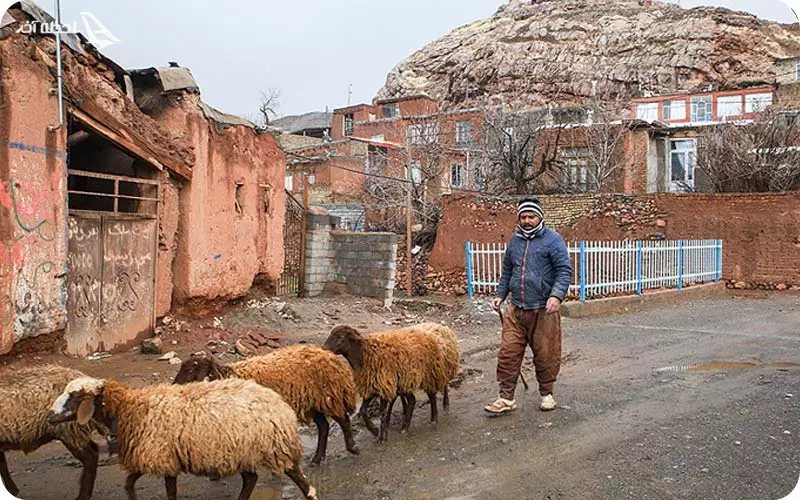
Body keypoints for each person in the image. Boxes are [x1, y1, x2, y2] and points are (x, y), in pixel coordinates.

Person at [484, 197, 572, 414]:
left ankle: (547, 393)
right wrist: (500, 295)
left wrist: (556, 296)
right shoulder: (515, 241)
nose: (527, 220)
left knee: (545, 354)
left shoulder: (553, 240)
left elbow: (563, 271)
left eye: (531, 216)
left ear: (540, 217)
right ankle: (505, 398)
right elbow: (507, 272)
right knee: (508, 353)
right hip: (516, 309)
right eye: (523, 217)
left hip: (543, 310)